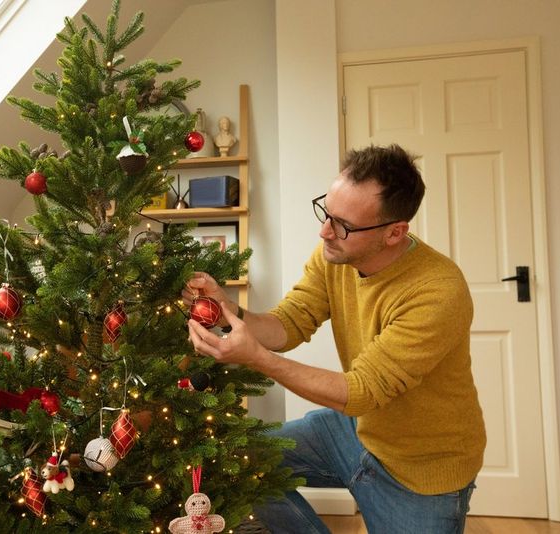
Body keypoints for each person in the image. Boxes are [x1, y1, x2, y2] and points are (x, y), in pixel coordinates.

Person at [185, 144, 486, 534]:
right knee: (233, 460)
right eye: (326, 211)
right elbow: (289, 323)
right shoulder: (335, 254)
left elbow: (360, 390)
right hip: (358, 430)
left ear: (395, 232)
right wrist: (230, 310)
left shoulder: (437, 291)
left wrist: (255, 356)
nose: (325, 230)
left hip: (422, 471)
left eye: (343, 224)